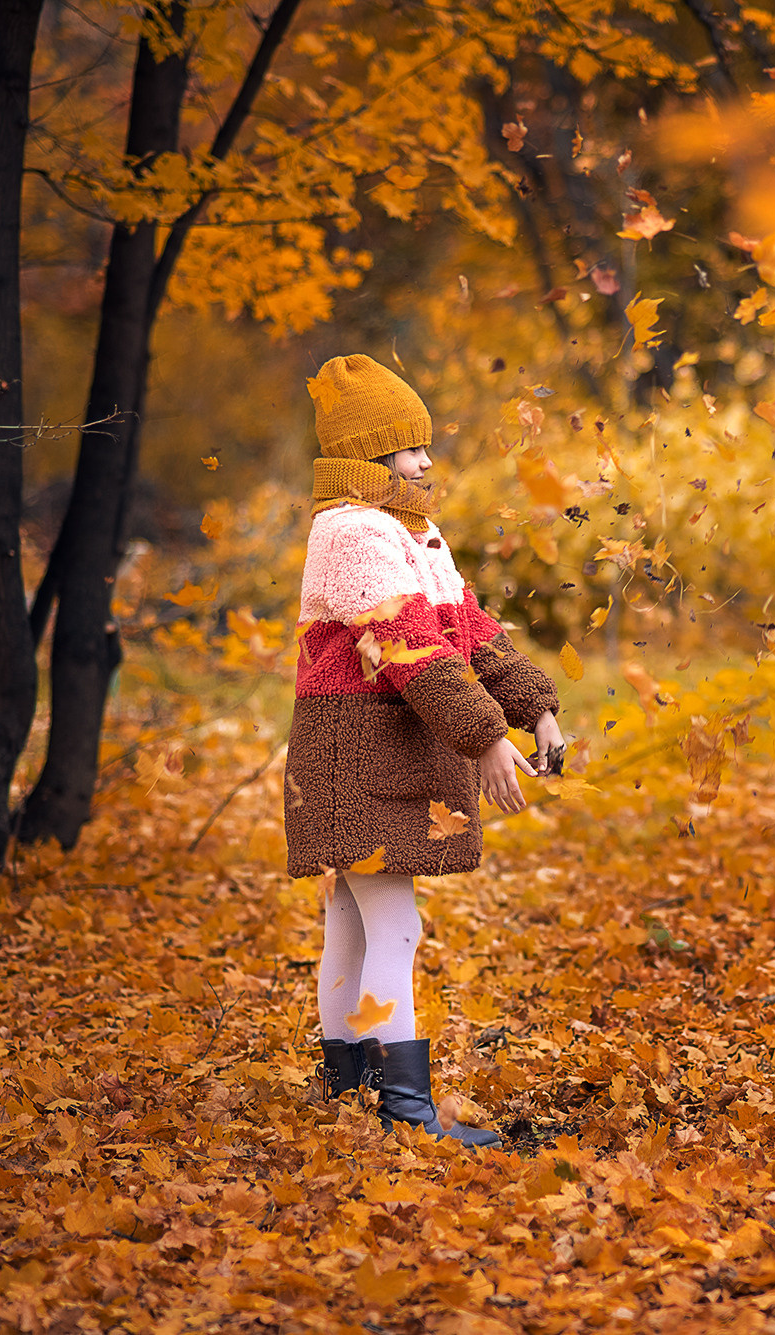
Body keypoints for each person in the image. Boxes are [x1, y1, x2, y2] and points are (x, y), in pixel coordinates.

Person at [284, 354, 563, 1149]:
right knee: (392, 926)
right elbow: (410, 647)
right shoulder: (351, 533)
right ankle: (405, 1112)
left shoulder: (410, 534)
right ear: (371, 458)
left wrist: (533, 707)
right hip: (359, 756)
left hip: (371, 754)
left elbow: (469, 631)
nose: (426, 462)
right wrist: (484, 737)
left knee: (356, 920)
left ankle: (347, 1092)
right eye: (410, 450)